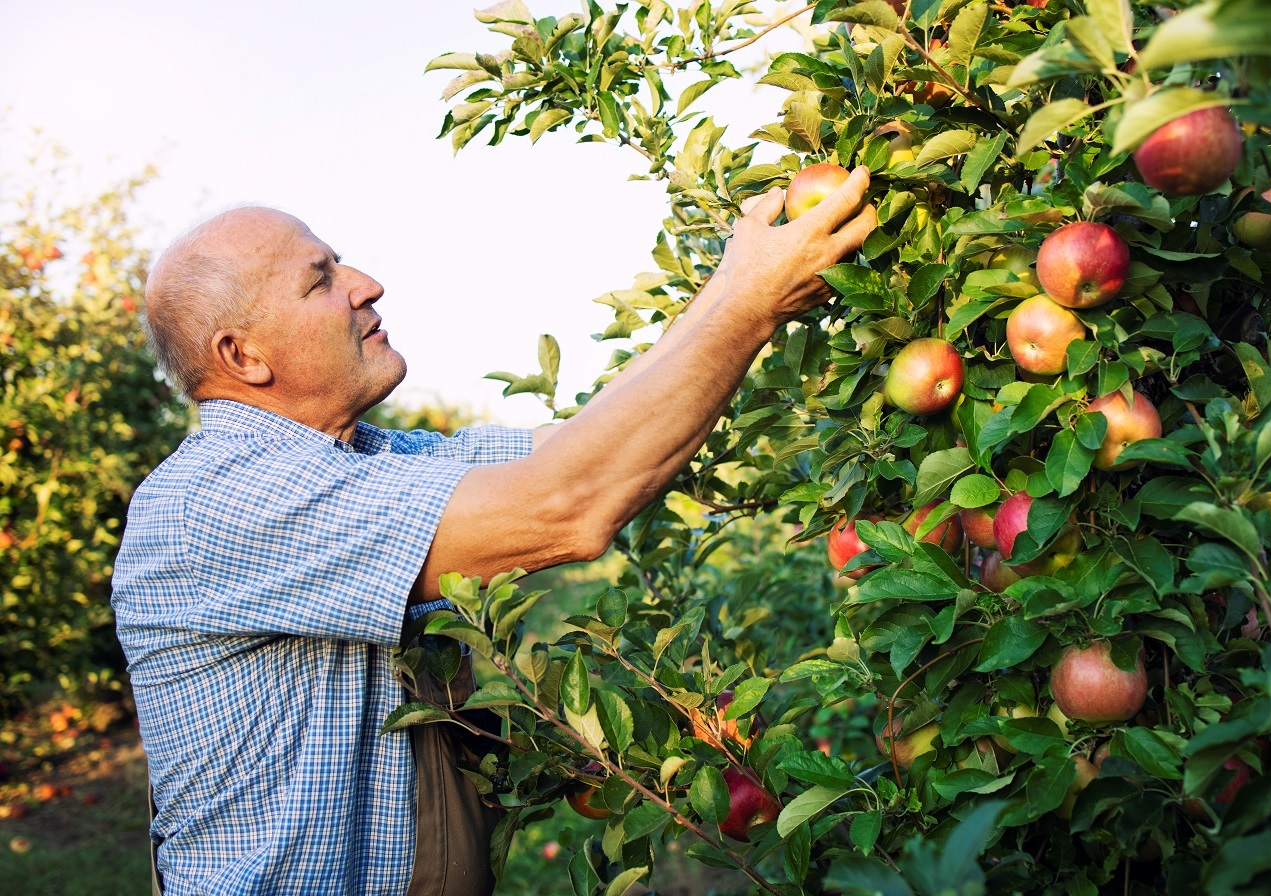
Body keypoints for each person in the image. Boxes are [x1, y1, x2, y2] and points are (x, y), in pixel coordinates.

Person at [111, 170, 876, 896]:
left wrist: (735, 284)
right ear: (243, 357)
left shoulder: (368, 460)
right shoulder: (213, 503)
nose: (366, 285)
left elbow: (573, 449)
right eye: (320, 279)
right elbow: (567, 504)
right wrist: (750, 302)